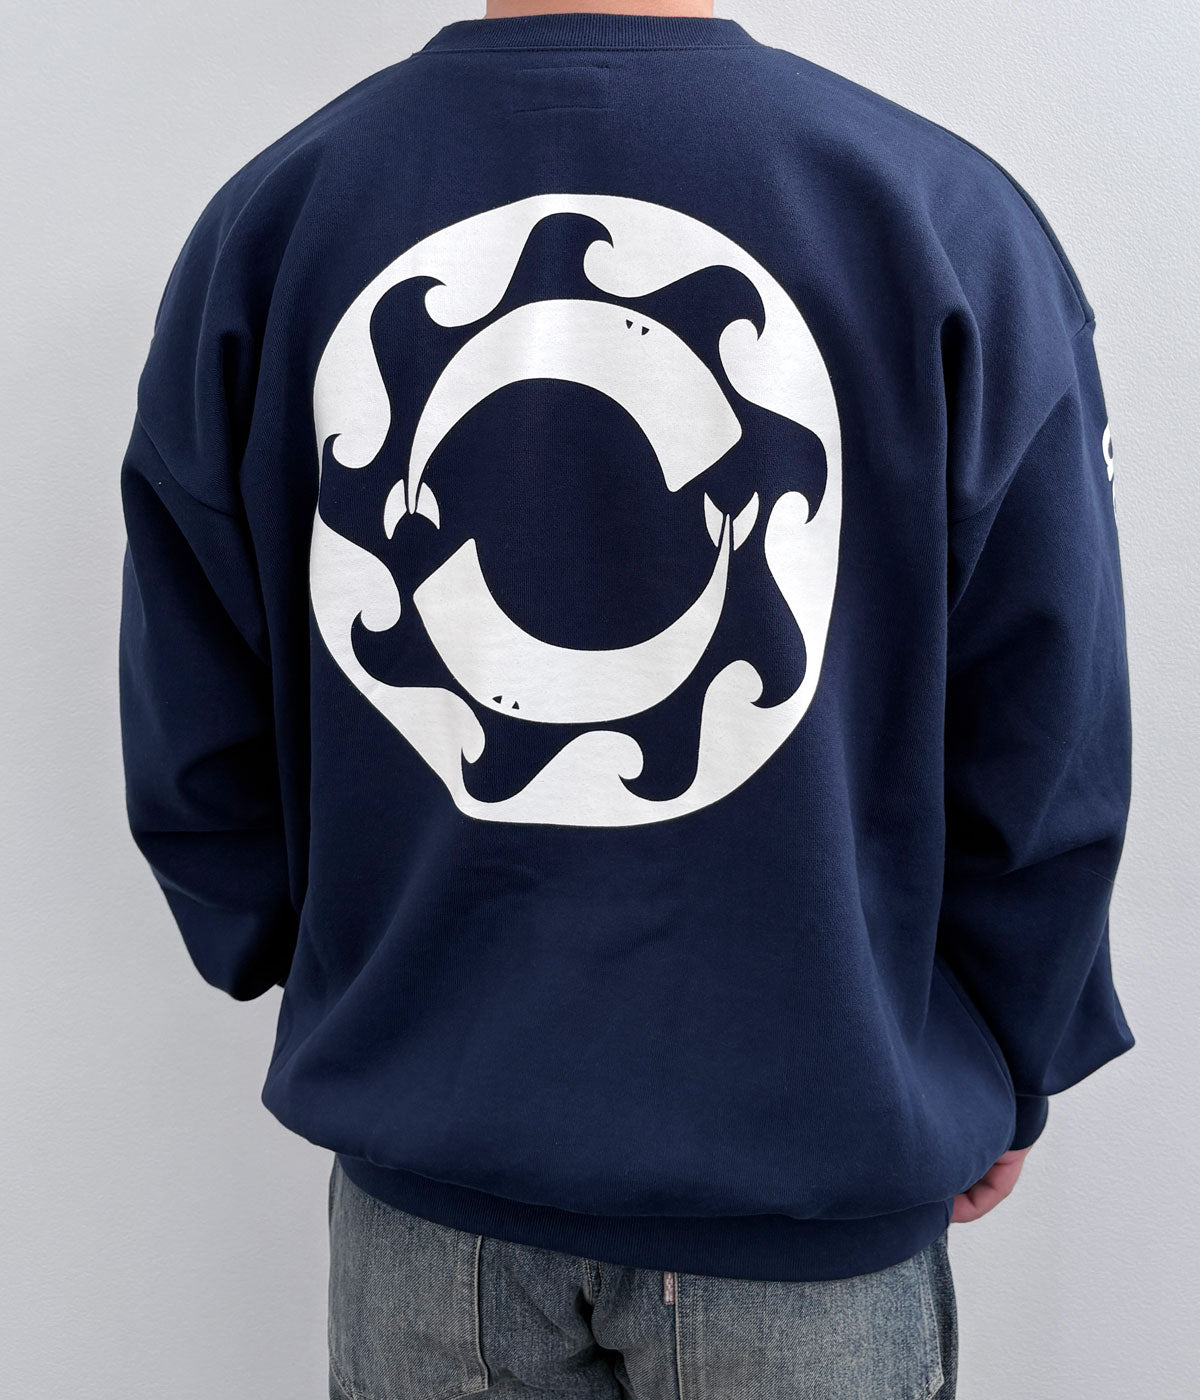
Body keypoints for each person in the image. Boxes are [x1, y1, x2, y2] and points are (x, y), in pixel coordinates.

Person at [116, 1, 1134, 1395]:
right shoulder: (943, 215)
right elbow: (1046, 724)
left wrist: (367, 981)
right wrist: (1010, 1047)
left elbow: (192, 721)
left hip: (428, 1206)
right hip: (811, 1199)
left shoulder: (280, 216)